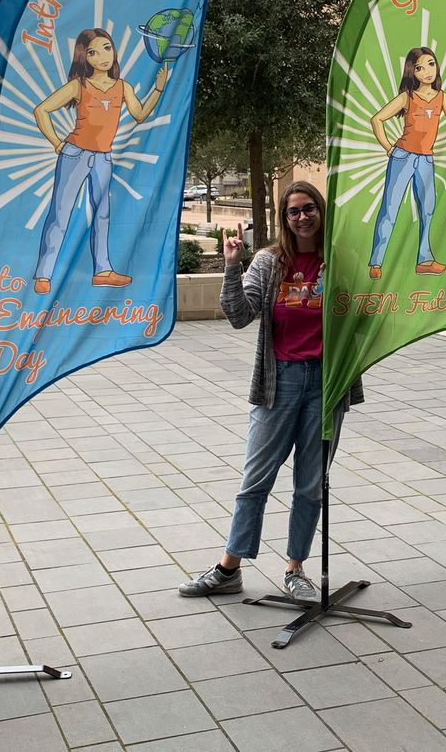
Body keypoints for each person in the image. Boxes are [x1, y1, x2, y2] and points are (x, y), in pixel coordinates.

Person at [178, 181, 363, 601]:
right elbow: (240, 316)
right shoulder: (269, 262)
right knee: (255, 479)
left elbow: (363, 315)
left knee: (310, 484)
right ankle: (229, 569)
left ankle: (295, 568)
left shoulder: (340, 261)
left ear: (320, 211)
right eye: (293, 211)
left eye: (309, 208)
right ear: (284, 217)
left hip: (326, 384)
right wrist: (231, 266)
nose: (302, 216)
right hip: (278, 382)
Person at [32, 26, 170, 295]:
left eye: (107, 48)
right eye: (93, 52)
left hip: (103, 157)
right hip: (75, 154)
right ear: (86, 58)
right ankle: (44, 274)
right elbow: (41, 110)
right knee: (61, 213)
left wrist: (158, 89)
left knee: (102, 214)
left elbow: (140, 114)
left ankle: (103, 270)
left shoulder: (122, 86)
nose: (103, 56)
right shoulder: (79, 85)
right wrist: (58, 143)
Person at [367, 46, 446, 280]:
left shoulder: (442, 97)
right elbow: (376, 118)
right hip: (403, 157)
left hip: (426, 159)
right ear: (412, 72)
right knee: (390, 208)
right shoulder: (407, 97)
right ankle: (376, 261)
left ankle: (425, 260)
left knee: (428, 210)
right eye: (420, 67)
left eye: (431, 64)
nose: (427, 71)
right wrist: (389, 148)